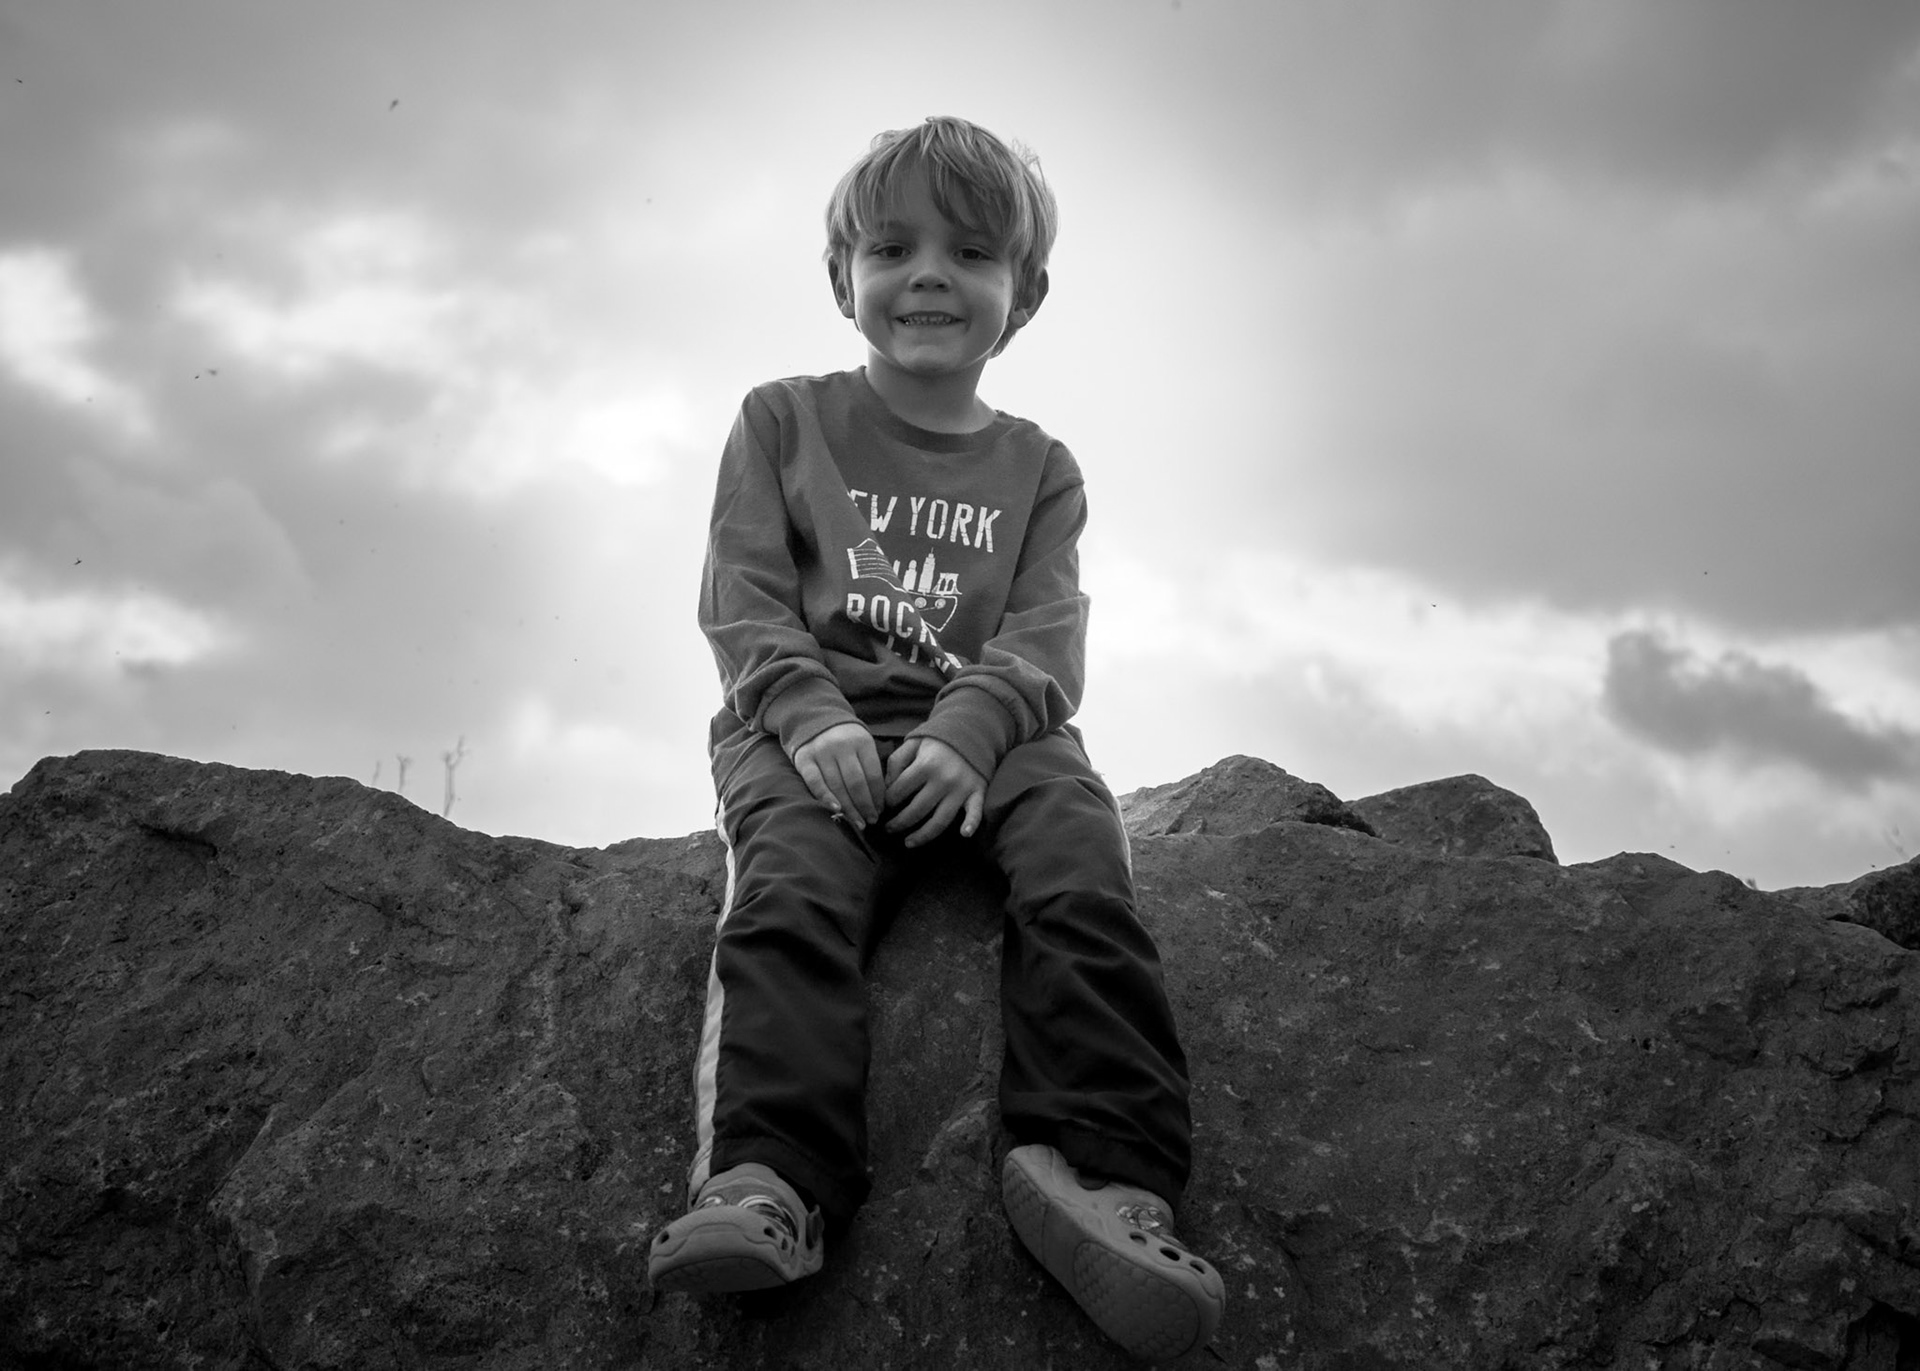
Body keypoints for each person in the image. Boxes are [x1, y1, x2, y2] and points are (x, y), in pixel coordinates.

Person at [647, 115, 1225, 1361]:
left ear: (1024, 297)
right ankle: (769, 1180)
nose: (928, 276)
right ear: (842, 275)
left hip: (995, 732)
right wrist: (810, 722)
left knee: (1082, 867)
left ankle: (1104, 1180)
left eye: (970, 253)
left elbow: (1046, 636)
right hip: (812, 729)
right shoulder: (781, 421)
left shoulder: (1042, 467)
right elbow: (741, 602)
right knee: (790, 899)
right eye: (894, 247)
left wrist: (971, 734)